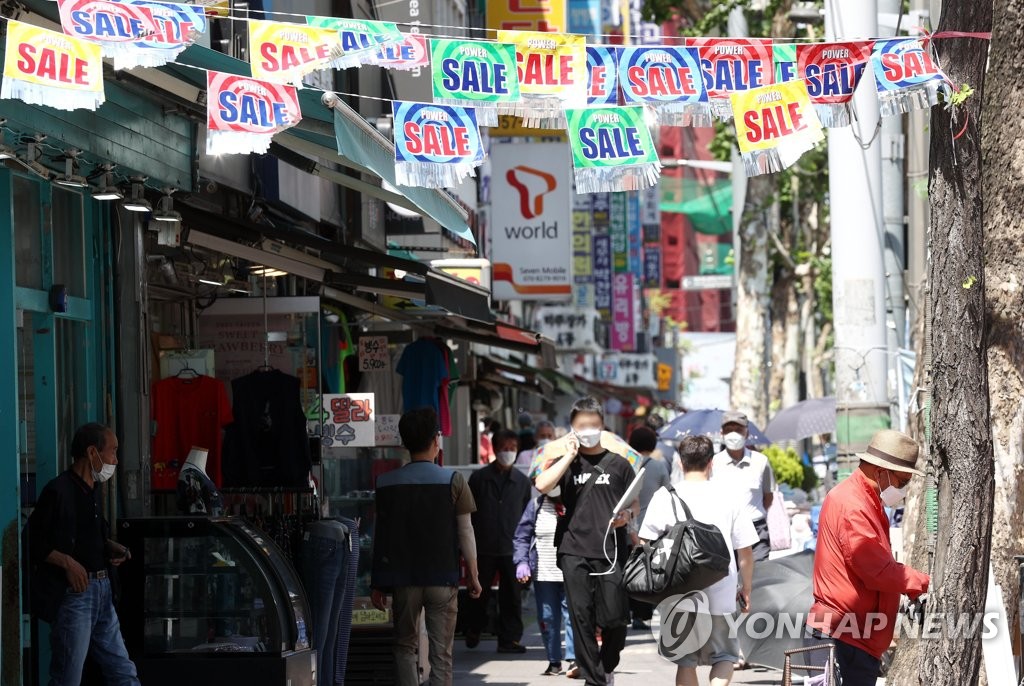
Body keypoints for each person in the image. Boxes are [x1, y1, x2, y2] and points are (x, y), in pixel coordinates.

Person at [805, 430, 930, 685]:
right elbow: (876, 570)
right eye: (903, 481)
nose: (904, 489)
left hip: (855, 635)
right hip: (846, 635)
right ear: (881, 471)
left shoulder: (866, 501)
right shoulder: (853, 504)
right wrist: (923, 582)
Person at [371, 407, 483, 686]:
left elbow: (381, 535)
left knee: (404, 646)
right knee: (441, 653)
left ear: (404, 443)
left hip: (403, 579)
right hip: (442, 579)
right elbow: (466, 531)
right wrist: (473, 574)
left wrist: (377, 582)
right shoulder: (454, 480)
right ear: (436, 440)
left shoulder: (385, 483)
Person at [23, 423, 141, 686]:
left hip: (103, 590)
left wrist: (111, 546)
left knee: (123, 670)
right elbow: (31, 540)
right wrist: (67, 563)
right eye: (112, 451)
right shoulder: (59, 491)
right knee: (68, 677)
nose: (116, 460)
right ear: (92, 452)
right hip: (76, 596)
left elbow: (87, 535)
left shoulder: (93, 491)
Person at [535, 397, 639, 686]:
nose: (588, 430)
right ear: (572, 428)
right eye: (582, 426)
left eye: (593, 425)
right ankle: (595, 680)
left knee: (615, 621)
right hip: (573, 550)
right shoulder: (565, 463)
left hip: (611, 550)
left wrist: (628, 515)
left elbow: (635, 502)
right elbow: (542, 485)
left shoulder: (619, 464)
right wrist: (568, 456)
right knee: (581, 617)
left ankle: (605, 666)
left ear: (602, 425)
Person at [639, 436, 757, 686]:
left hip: (680, 591)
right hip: (723, 589)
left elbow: (644, 543)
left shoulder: (665, 496)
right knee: (725, 656)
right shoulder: (729, 496)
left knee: (685, 660)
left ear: (681, 463)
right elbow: (745, 550)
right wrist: (746, 588)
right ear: (711, 462)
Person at [465, 429, 532, 653]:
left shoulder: (522, 482)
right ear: (494, 449)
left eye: (513, 449)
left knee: (512, 597)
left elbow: (526, 515)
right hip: (483, 546)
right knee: (478, 593)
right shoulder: (479, 478)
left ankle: (509, 639)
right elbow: (468, 513)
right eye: (504, 448)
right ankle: (473, 628)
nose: (508, 452)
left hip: (512, 549)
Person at [513, 485, 576, 676]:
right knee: (547, 618)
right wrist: (521, 562)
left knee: (572, 618)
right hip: (544, 573)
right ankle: (554, 661)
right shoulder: (535, 505)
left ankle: (574, 660)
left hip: (571, 573)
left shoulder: (576, 502)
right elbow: (522, 536)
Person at [710, 411, 776, 562]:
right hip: (726, 532)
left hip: (757, 531)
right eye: (728, 430)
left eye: (738, 429)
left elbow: (769, 496)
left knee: (759, 579)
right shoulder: (714, 463)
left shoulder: (761, 462)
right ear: (721, 433)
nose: (733, 434)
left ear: (746, 433)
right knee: (731, 582)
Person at [626, 426, 672, 630]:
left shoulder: (626, 465)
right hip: (653, 527)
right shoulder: (659, 467)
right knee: (650, 571)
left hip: (628, 523)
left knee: (630, 568)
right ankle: (644, 612)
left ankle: (629, 609)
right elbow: (668, 494)